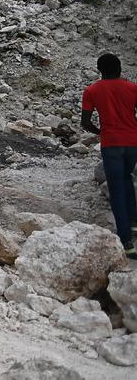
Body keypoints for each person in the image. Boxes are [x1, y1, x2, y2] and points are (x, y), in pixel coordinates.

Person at [82, 53, 137, 260]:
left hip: (111, 143)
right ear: (120, 68)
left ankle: (126, 242)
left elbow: (85, 122)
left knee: (116, 189)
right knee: (127, 178)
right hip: (133, 143)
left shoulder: (92, 90)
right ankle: (134, 222)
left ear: (99, 70)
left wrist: (100, 131)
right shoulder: (133, 88)